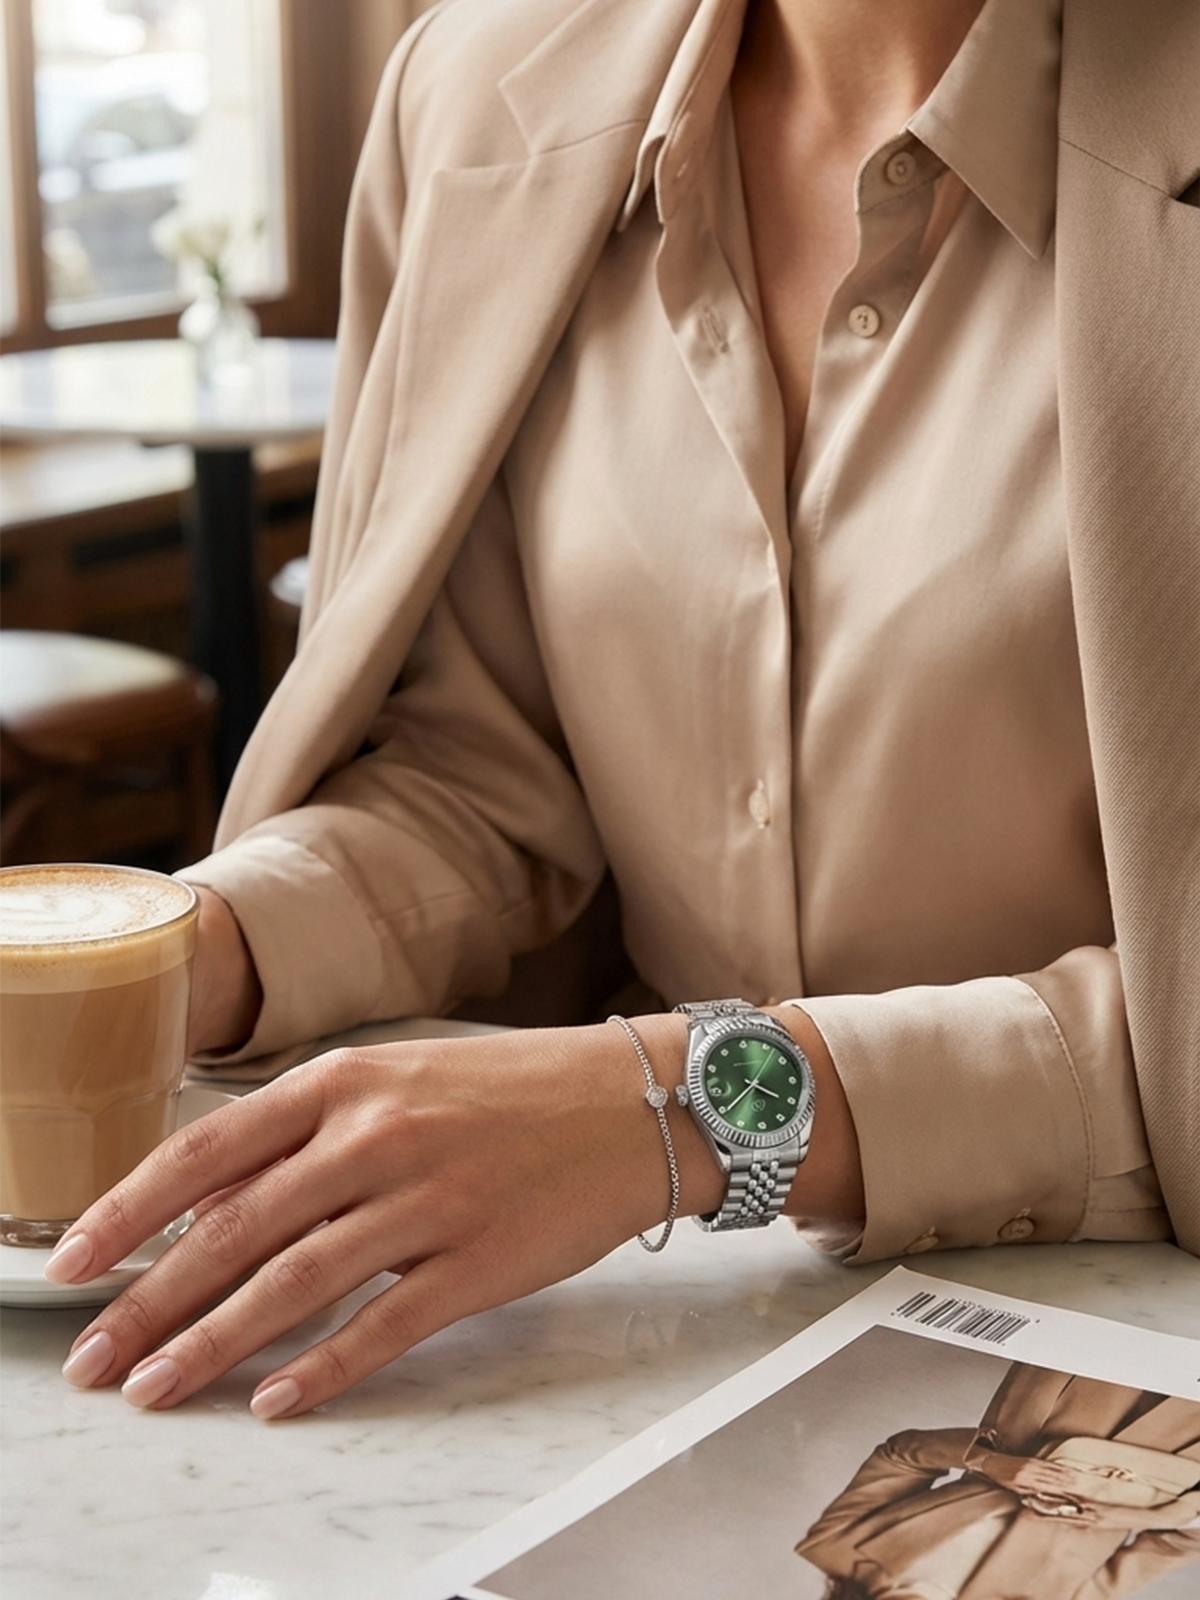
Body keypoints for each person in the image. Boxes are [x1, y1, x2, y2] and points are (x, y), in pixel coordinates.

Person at [45, 0, 1198, 1421]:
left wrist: (685, 1108)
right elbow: (481, 782)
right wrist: (194, 953)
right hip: (663, 1339)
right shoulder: (470, 93)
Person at [796, 1364, 1200, 1599]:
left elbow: (900, 1455)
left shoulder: (833, 1545)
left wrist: (987, 1461)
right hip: (1171, 1444)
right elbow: (1180, 1543)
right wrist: (1148, 1516)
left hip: (1055, 1403)